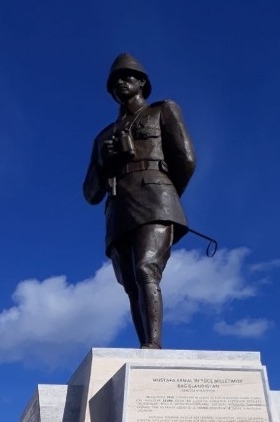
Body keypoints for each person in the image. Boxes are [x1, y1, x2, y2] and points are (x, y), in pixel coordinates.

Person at [83, 53, 196, 349]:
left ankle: (153, 346)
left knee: (146, 268)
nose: (121, 83)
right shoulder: (103, 137)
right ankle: (145, 344)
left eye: (127, 77)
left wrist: (166, 196)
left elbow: (186, 159)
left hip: (156, 199)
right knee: (131, 284)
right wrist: (106, 162)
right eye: (114, 81)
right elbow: (90, 193)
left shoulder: (162, 110)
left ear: (142, 82)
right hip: (118, 209)